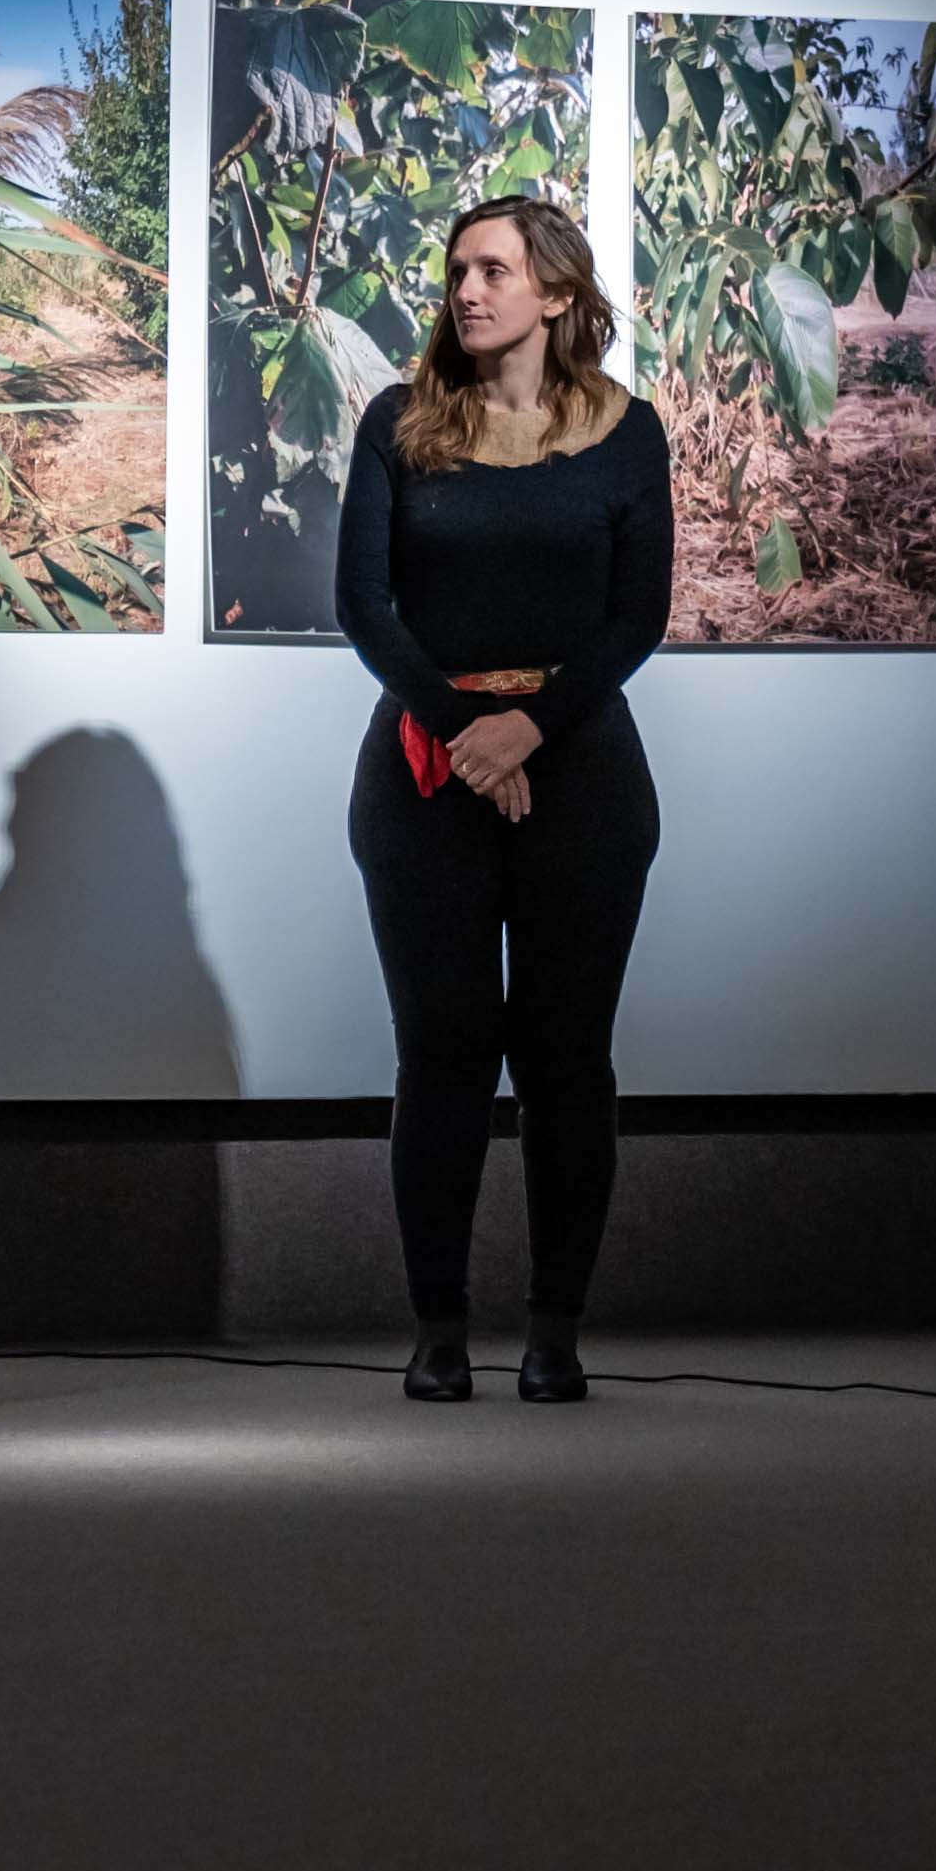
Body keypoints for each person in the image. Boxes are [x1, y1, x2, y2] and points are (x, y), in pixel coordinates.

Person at [337, 195, 668, 1405]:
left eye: (493, 271)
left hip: (581, 771)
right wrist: (465, 726)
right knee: (443, 1052)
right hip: (427, 774)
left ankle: (554, 1331)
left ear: (557, 293)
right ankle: (438, 1329)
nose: (466, 291)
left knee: (568, 1059)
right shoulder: (399, 422)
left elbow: (637, 617)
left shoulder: (628, 433)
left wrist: (530, 723)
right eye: (458, 272)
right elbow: (365, 607)